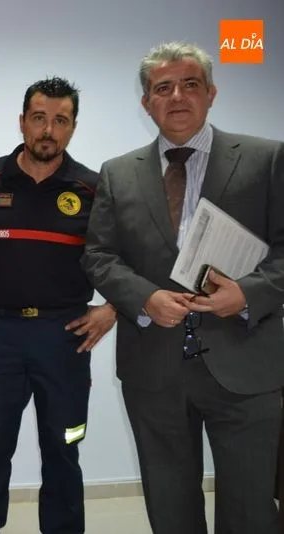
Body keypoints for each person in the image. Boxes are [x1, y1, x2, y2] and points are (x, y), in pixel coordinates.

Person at [82, 41, 284, 534]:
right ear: (147, 102)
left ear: (211, 93)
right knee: (170, 506)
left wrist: (248, 293)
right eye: (162, 88)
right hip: (154, 366)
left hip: (246, 362)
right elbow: (98, 256)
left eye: (190, 84)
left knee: (251, 510)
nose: (177, 96)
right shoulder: (117, 173)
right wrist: (143, 298)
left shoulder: (266, 158)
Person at [0, 77, 116, 534]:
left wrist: (112, 310)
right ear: (23, 121)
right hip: (2, 338)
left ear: (72, 128)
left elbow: (128, 256)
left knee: (63, 449)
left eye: (60, 120)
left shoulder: (92, 188)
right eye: (40, 118)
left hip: (65, 339)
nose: (49, 129)